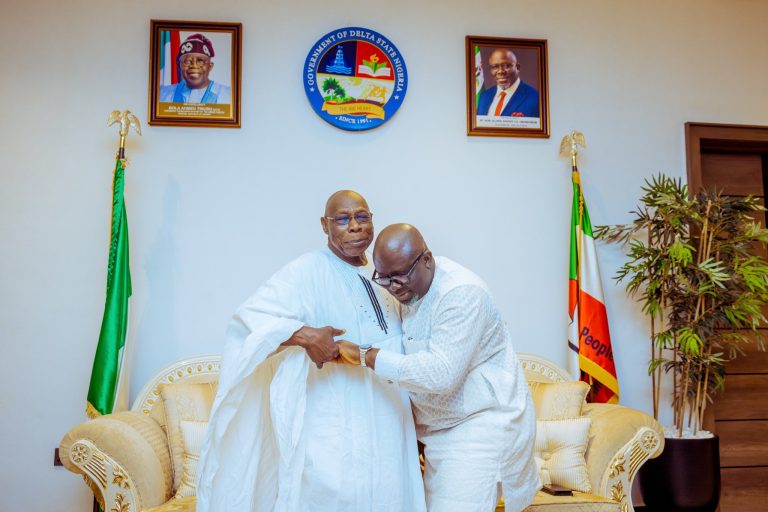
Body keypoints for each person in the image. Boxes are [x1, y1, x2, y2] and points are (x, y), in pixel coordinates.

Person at [196, 193, 426, 512]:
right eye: (343, 219)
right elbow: (248, 323)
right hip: (334, 429)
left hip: (390, 427)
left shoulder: (384, 274)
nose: (355, 226)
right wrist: (305, 336)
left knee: (391, 499)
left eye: (362, 217)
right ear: (324, 225)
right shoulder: (306, 271)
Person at [332, 224, 540, 512]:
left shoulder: (461, 293)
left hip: (479, 426)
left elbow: (440, 374)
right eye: (384, 278)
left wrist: (367, 355)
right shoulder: (405, 289)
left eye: (400, 276)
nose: (393, 287)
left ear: (426, 260)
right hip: (436, 432)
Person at [159, 33, 231, 104]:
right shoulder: (162, 94)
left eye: (200, 61)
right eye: (187, 61)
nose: (194, 65)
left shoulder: (229, 95)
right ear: (179, 66)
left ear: (210, 66)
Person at [477, 48, 539, 118]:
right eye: (495, 67)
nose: (500, 71)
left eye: (506, 66)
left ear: (517, 67)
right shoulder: (484, 96)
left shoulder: (535, 98)